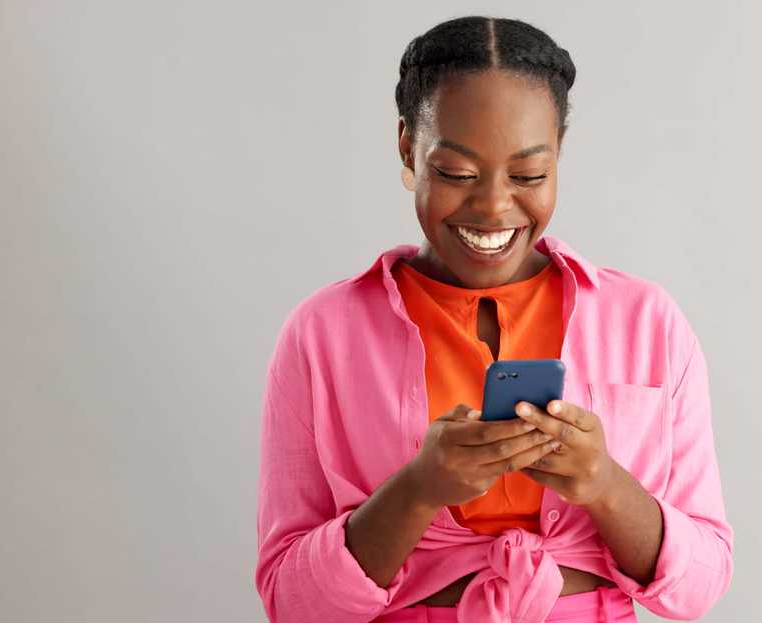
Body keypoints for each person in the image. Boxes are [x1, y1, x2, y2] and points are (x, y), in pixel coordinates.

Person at [255, 16, 734, 623]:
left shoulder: (647, 321)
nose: (493, 208)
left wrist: (605, 485)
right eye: (456, 174)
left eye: (529, 175)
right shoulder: (323, 334)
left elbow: (700, 585)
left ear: (559, 152)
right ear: (407, 146)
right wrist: (418, 490)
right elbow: (291, 602)